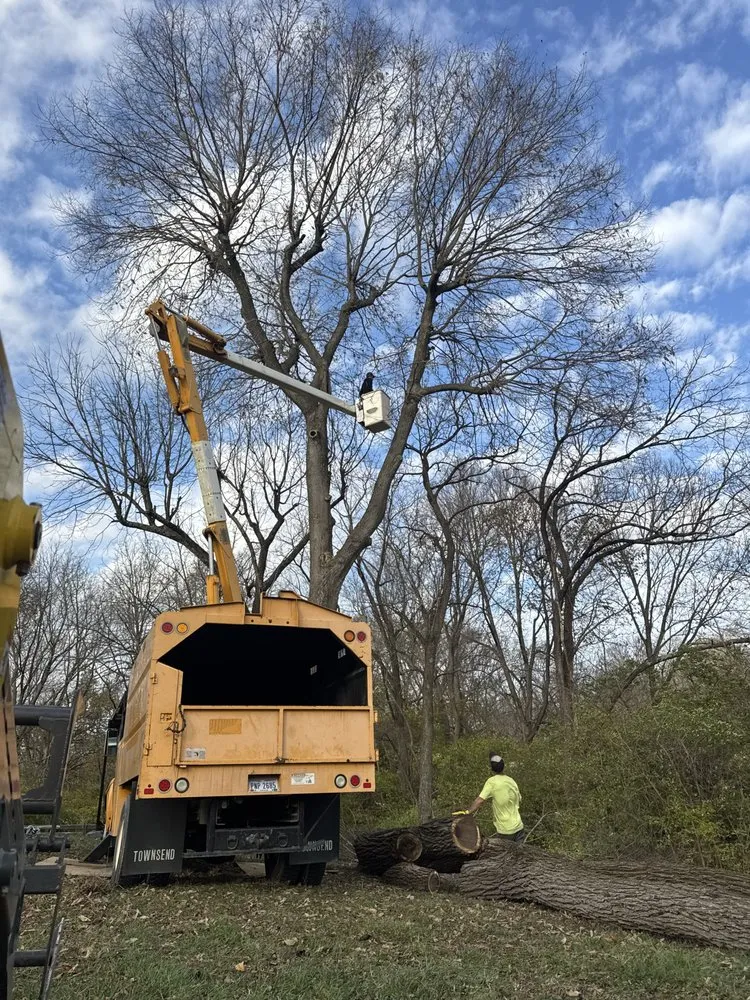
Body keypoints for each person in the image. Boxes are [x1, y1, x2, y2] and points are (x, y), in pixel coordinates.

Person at [463, 752, 525, 842]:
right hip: (519, 827)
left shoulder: (492, 782)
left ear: (492, 768)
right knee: (519, 855)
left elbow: (480, 800)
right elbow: (519, 799)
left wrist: (467, 812)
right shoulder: (511, 781)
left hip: (505, 830)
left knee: (505, 855)